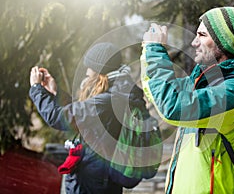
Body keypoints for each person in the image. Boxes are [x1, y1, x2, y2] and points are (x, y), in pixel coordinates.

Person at [140, 7, 234, 193]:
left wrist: (155, 50)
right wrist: (147, 52)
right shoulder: (206, 83)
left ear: (224, 42)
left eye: (202, 35)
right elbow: (157, 94)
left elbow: (172, 107)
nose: (194, 42)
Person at [29, 42, 147, 194]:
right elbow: (83, 114)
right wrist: (56, 93)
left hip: (93, 182)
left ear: (100, 71)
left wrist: (36, 88)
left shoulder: (107, 100)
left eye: (90, 67)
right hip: (102, 178)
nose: (86, 72)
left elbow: (59, 117)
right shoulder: (118, 93)